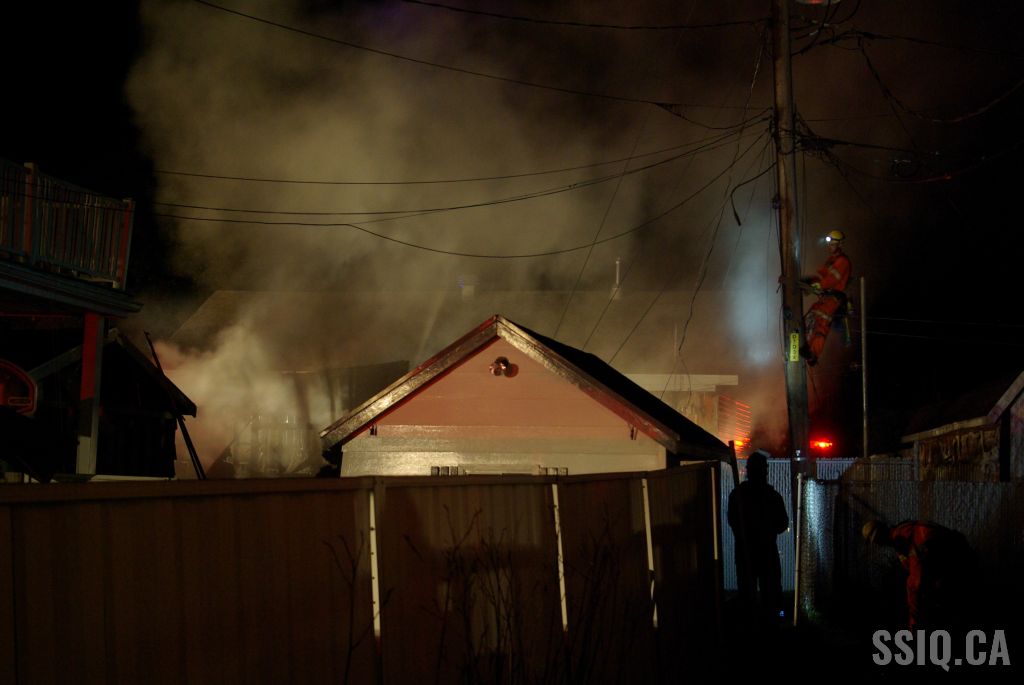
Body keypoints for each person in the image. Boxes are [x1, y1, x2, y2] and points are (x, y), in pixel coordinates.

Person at [862, 519, 974, 630]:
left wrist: (913, 626)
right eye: (875, 541)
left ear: (882, 532)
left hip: (959, 568)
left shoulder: (905, 537)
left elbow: (915, 583)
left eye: (877, 539)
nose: (879, 544)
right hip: (953, 566)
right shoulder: (902, 537)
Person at [728, 451, 789, 622]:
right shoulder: (771, 496)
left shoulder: (738, 495)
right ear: (765, 471)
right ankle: (774, 622)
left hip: (746, 552)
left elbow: (733, 521)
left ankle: (753, 624)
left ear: (748, 471)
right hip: (765, 552)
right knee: (771, 593)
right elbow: (782, 524)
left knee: (749, 594)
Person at [799, 229, 852, 366]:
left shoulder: (843, 261)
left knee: (821, 322)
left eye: (832, 244)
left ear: (840, 245)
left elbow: (832, 279)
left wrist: (819, 284)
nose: (830, 247)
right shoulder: (830, 261)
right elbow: (822, 277)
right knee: (810, 318)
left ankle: (813, 354)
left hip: (833, 299)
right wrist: (810, 281)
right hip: (825, 298)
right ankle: (804, 344)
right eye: (829, 244)